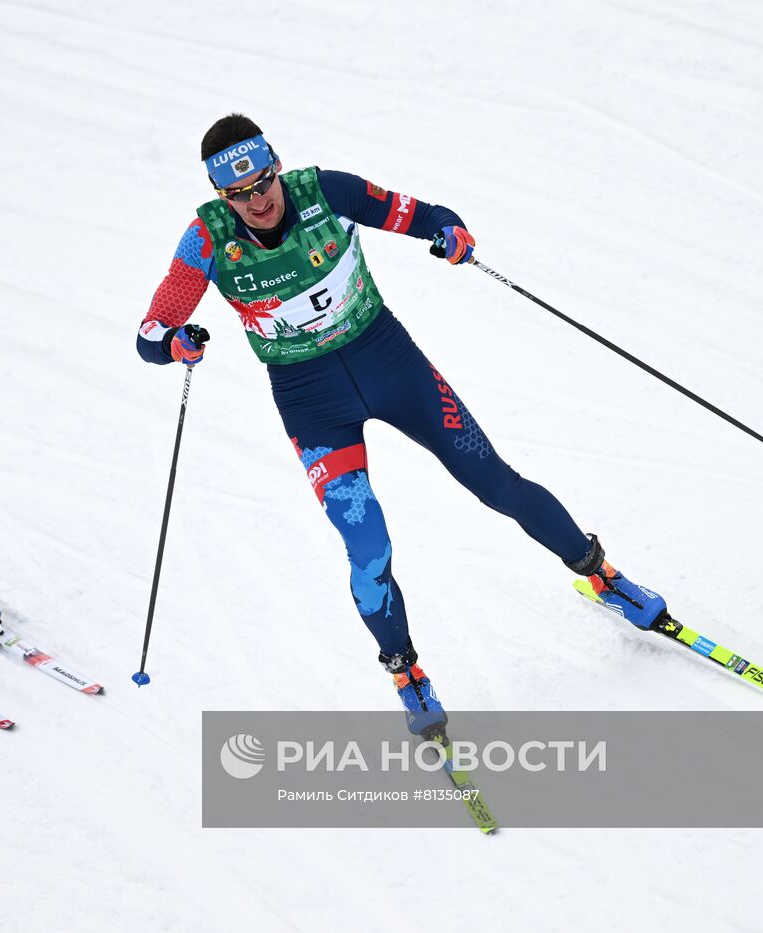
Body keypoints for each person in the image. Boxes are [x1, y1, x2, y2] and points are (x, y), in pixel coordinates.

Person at [136, 114, 669, 738]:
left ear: (276, 167)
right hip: (311, 404)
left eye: (263, 182)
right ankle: (406, 672)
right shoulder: (206, 238)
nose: (258, 201)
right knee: (368, 545)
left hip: (391, 364)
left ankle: (600, 573)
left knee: (495, 482)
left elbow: (428, 215)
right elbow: (149, 335)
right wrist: (176, 343)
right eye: (240, 194)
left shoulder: (326, 191)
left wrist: (451, 235)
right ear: (222, 195)